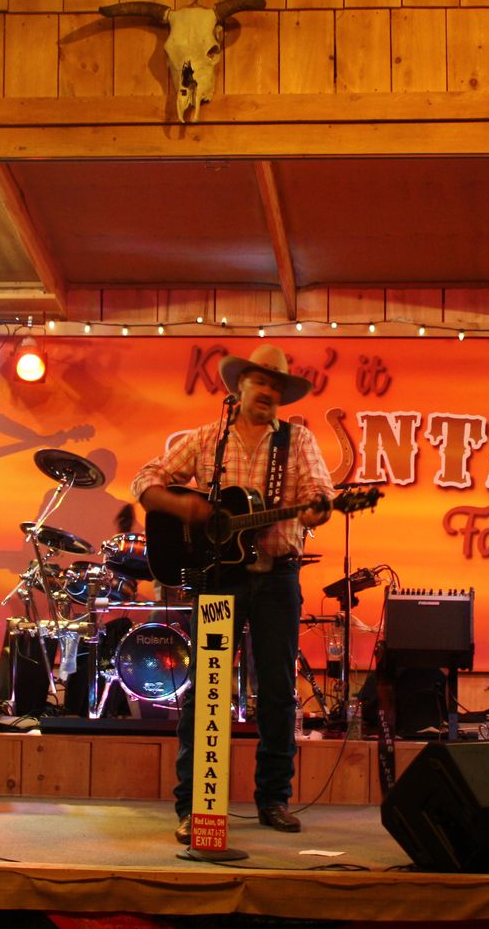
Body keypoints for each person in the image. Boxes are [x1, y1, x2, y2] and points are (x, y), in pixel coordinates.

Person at [131, 345, 334, 845]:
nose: (267, 392)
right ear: (239, 387)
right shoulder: (208, 439)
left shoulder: (297, 440)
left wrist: (317, 510)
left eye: (276, 387)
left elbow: (319, 495)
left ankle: (273, 798)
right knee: (207, 689)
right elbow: (145, 481)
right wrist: (184, 509)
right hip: (219, 577)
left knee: (278, 690)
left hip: (278, 576)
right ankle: (194, 806)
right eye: (260, 382)